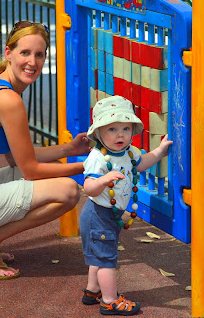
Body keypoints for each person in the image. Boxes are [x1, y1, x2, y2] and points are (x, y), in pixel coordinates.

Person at [0, 21, 91, 280]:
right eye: (25, 53)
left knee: (36, 176)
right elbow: (30, 170)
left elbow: (20, 156)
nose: (33, 62)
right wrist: (88, 166)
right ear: (8, 53)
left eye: (39, 55)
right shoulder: (8, 100)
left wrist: (69, 148)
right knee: (68, 191)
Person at [80, 96, 173, 316]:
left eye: (125, 128)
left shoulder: (130, 152)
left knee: (100, 255)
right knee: (107, 260)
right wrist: (102, 180)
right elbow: (89, 187)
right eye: (112, 129)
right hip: (97, 215)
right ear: (99, 133)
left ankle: (93, 291)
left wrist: (159, 152)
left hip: (110, 214)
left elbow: (142, 163)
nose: (120, 134)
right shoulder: (98, 158)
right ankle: (110, 300)